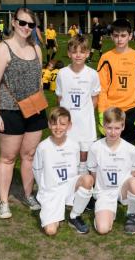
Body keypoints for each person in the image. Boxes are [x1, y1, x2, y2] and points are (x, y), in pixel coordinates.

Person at [0, 7, 48, 219]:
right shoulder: (3, 49)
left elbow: (39, 81)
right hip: (10, 111)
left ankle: (28, 194)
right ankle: (4, 202)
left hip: (35, 110)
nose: (26, 28)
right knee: (8, 158)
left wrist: (42, 104)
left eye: (30, 25)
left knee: (29, 155)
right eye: (22, 23)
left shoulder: (36, 49)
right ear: (13, 22)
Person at [33, 107, 94, 235]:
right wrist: (43, 192)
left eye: (63, 124)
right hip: (52, 191)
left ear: (69, 126)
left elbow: (78, 168)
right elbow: (37, 171)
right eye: (54, 123)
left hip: (69, 186)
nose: (58, 127)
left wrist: (76, 186)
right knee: (50, 231)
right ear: (49, 124)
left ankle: (74, 216)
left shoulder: (74, 145)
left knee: (88, 179)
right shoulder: (43, 147)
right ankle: (54, 211)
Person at [87, 107, 135, 235]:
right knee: (102, 229)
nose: (113, 132)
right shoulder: (95, 148)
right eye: (109, 128)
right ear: (103, 126)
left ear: (123, 127)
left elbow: (133, 174)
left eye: (117, 128)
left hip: (122, 190)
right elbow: (93, 174)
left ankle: (132, 214)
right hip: (104, 192)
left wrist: (126, 191)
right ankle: (105, 212)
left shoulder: (131, 150)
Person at [97, 18, 135, 145]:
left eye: (123, 35)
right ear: (111, 36)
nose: (119, 39)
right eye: (116, 35)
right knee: (109, 149)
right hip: (111, 109)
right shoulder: (105, 58)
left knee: (130, 150)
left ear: (130, 36)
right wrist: (101, 112)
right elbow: (102, 88)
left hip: (133, 110)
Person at [56, 35, 100, 174]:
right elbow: (60, 98)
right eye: (74, 52)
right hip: (68, 121)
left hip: (85, 120)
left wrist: (84, 112)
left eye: (82, 52)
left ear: (87, 53)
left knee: (84, 149)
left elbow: (95, 98)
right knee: (68, 150)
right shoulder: (62, 74)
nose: (78, 55)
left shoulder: (92, 74)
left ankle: (83, 175)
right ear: (69, 53)